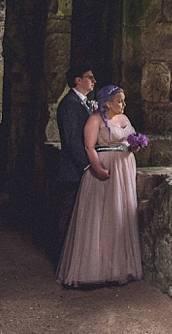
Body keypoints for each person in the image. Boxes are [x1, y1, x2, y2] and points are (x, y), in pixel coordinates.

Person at [56, 84, 143, 287]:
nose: (123, 104)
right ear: (107, 102)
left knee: (119, 213)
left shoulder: (124, 119)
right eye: (119, 101)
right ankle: (93, 270)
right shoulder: (95, 120)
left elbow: (130, 140)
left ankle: (120, 267)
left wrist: (136, 145)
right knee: (99, 215)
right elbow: (89, 146)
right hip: (104, 166)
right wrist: (97, 168)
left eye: (124, 100)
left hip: (123, 168)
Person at [54, 64, 96, 256]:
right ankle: (63, 257)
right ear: (78, 80)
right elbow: (71, 140)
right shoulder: (70, 104)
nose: (93, 81)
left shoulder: (84, 102)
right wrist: (88, 165)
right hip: (72, 170)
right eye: (90, 77)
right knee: (68, 213)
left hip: (78, 169)